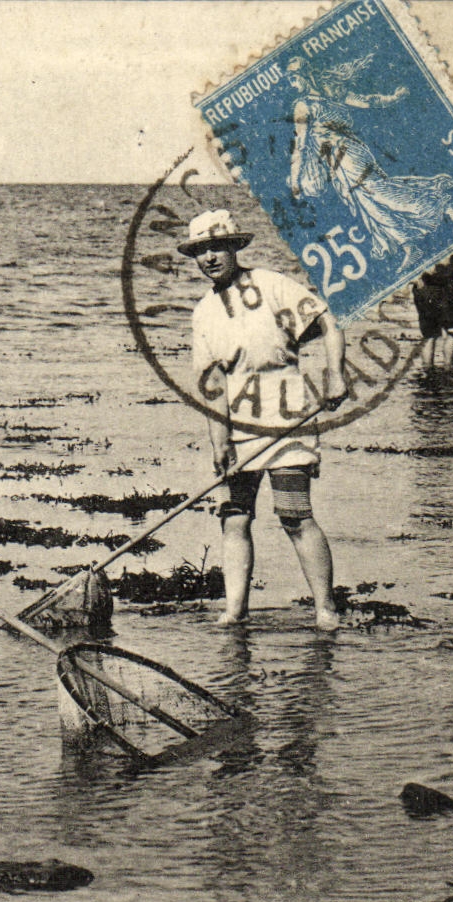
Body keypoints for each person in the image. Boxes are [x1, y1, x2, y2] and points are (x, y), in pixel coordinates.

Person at [180, 210, 348, 631]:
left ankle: (326, 609)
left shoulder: (272, 285)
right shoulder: (204, 312)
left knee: (294, 515)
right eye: (200, 251)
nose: (209, 258)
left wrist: (335, 375)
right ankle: (235, 611)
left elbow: (328, 323)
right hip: (238, 423)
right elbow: (212, 384)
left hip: (287, 410)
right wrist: (219, 441)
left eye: (217, 247)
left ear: (235, 247)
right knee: (235, 517)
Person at [285, 55, 453, 271]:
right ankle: (409, 246)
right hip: (346, 157)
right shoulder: (332, 92)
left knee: (377, 192)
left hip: (345, 156)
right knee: (367, 203)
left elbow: (300, 146)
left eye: (293, 78)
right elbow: (369, 101)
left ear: (304, 76)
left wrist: (295, 181)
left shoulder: (303, 105)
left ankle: (441, 202)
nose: (292, 84)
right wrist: (393, 98)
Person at [413, 255, 453, 369]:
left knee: (429, 334)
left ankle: (427, 368)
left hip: (422, 287)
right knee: (452, 331)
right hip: (446, 287)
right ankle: (448, 367)